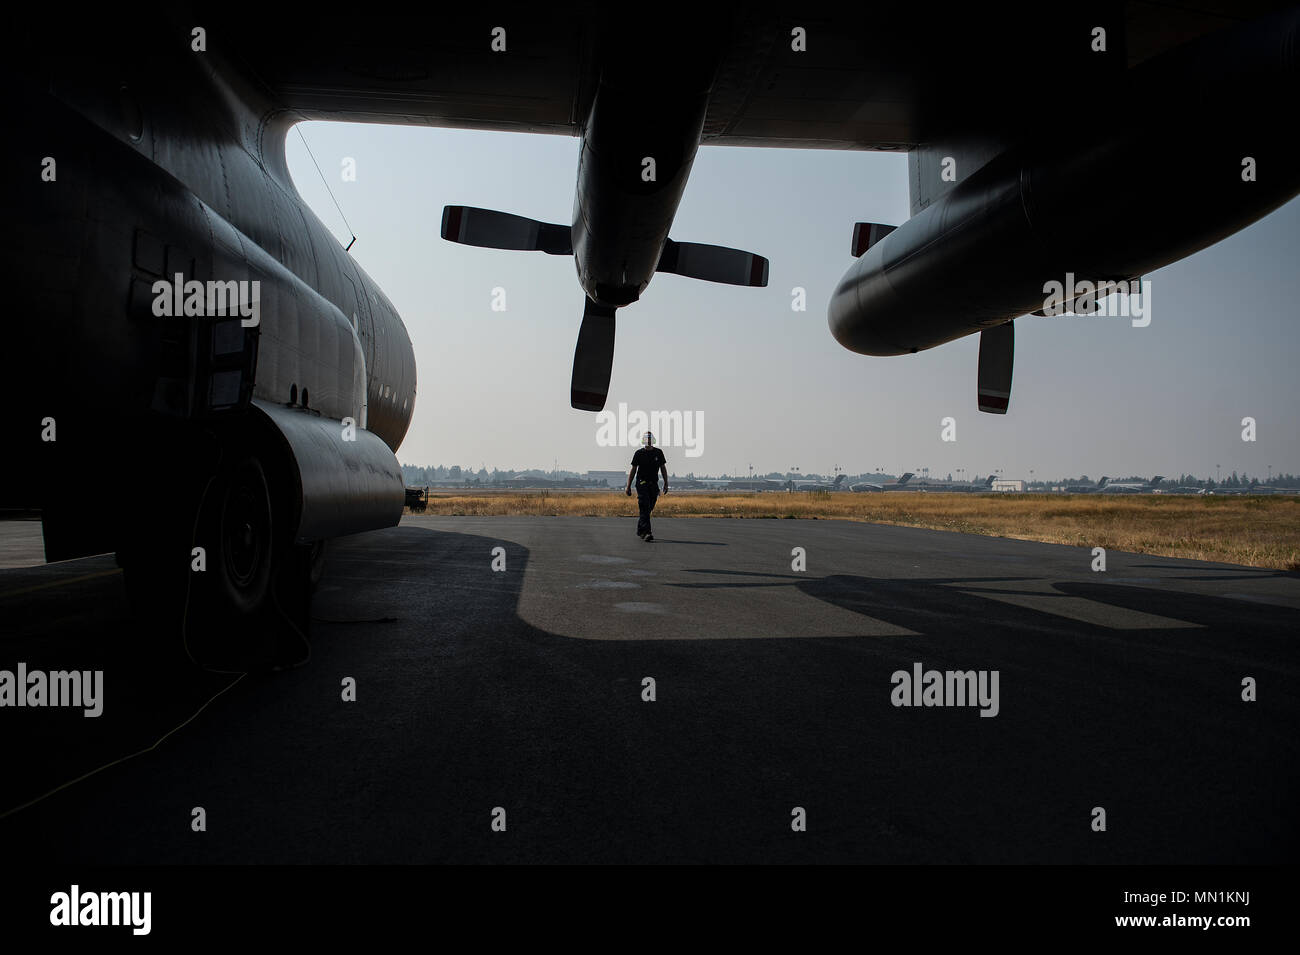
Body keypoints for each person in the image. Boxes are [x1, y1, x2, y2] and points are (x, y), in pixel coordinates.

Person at [625, 431, 668, 541]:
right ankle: (647, 532)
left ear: (652, 440)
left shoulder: (658, 453)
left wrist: (666, 483)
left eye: (650, 439)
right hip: (642, 483)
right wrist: (628, 486)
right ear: (643, 441)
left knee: (649, 508)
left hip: (653, 484)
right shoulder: (639, 453)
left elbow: (663, 468)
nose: (648, 441)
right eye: (646, 439)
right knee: (644, 506)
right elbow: (633, 470)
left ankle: (640, 530)